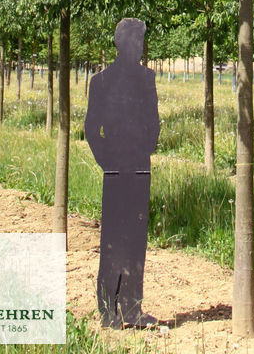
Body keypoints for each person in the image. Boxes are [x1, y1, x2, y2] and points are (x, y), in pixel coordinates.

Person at [84, 18, 160, 328]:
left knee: (136, 238)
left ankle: (132, 309)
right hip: (116, 168)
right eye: (135, 42)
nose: (140, 48)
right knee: (113, 238)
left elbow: (154, 123)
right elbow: (91, 129)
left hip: (139, 166)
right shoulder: (101, 82)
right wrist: (108, 161)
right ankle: (108, 312)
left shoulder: (147, 78)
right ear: (121, 43)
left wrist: (144, 151)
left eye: (142, 42)